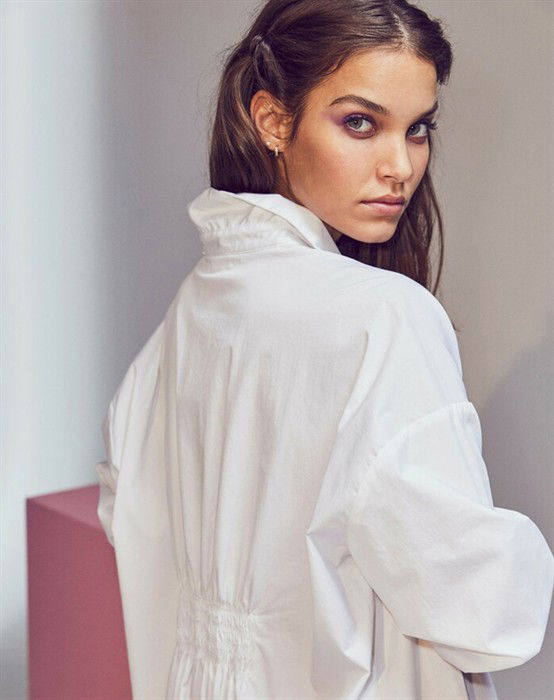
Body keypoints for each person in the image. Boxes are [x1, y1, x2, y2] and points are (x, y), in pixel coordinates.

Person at [95, 1, 554, 698]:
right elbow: (483, 616)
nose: (400, 166)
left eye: (418, 128)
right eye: (360, 123)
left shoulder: (195, 308)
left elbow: (127, 512)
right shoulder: (385, 317)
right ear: (273, 120)